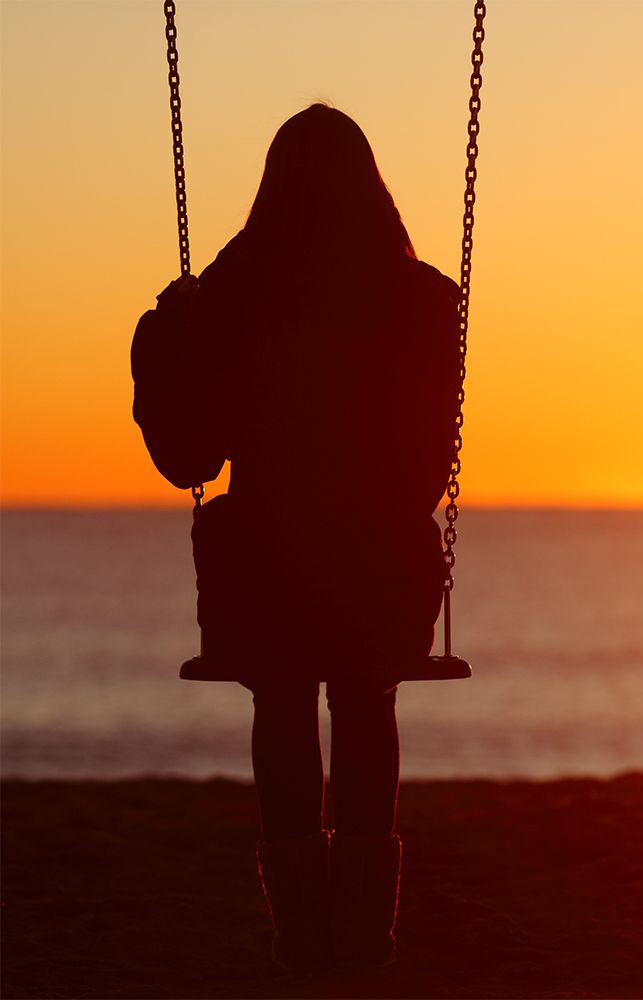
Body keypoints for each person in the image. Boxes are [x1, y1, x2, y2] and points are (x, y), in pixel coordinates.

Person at [131, 103, 461, 970]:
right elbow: (429, 470)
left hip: (263, 567)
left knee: (281, 701)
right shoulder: (425, 300)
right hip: (379, 566)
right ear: (373, 190)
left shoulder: (231, 296)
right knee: (367, 698)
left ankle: (299, 940)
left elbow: (188, 454)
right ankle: (365, 936)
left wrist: (167, 332)